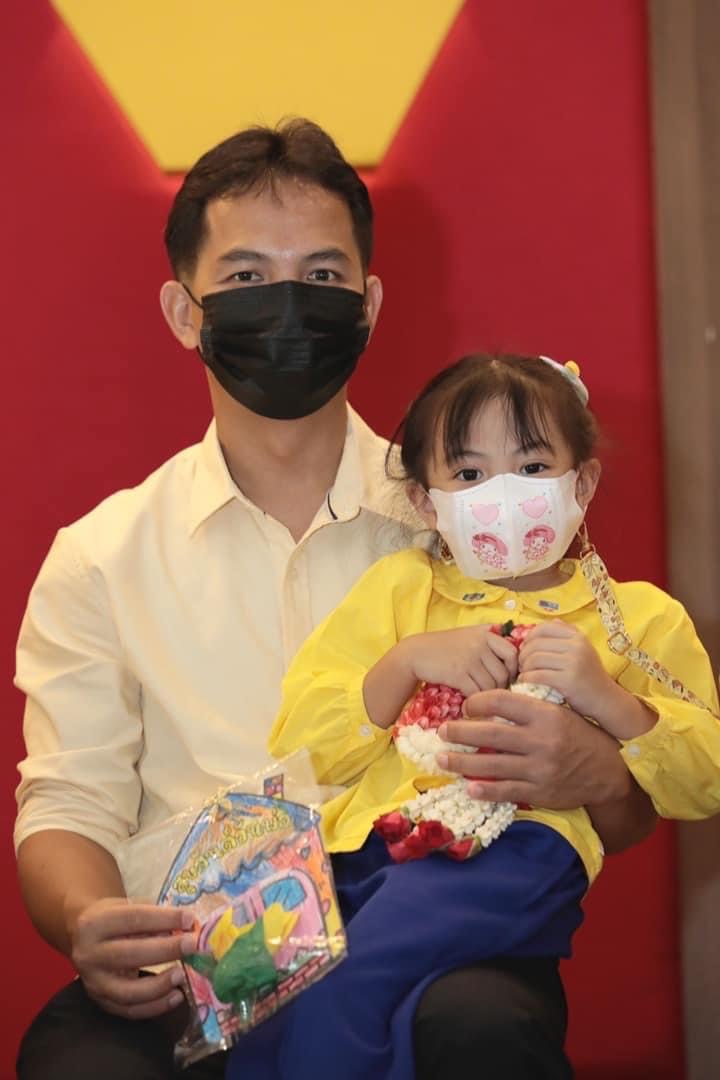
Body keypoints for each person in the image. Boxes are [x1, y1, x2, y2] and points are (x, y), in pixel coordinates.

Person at [14, 122, 655, 1080]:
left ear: (368, 305)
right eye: (245, 277)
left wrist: (598, 771)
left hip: (427, 939)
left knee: (484, 1032)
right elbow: (68, 802)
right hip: (198, 959)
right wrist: (86, 919)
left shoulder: (469, 524)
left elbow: (630, 803)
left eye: (320, 276)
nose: (287, 305)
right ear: (184, 312)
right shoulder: (100, 558)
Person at [224, 353, 720, 1079]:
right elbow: (303, 741)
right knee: (270, 1009)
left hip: (515, 849)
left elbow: (706, 775)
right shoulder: (399, 589)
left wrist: (607, 698)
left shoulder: (637, 616)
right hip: (363, 846)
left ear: (581, 484)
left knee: (349, 983)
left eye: (532, 467)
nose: (501, 495)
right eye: (468, 474)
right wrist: (404, 662)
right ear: (427, 504)